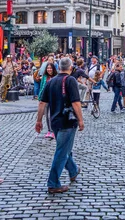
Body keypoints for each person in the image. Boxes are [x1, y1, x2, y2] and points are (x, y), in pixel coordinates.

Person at [35, 57, 84, 194]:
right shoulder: (70, 80)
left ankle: (73, 170)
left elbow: (42, 103)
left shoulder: (51, 82)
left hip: (54, 121)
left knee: (64, 148)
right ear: (70, 67)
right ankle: (53, 183)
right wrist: (81, 119)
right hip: (67, 121)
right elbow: (76, 102)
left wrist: (39, 121)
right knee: (62, 152)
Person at [40, 62, 58, 140]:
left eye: (50, 68)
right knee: (47, 115)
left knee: (52, 114)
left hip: (54, 98)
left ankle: (54, 130)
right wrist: (40, 96)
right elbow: (41, 87)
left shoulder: (56, 77)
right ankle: (49, 130)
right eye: (48, 68)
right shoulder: (44, 77)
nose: (49, 69)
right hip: (45, 98)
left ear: (53, 69)